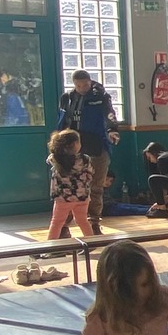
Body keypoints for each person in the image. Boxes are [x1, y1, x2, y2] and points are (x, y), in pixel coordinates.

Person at [54, 71, 120, 234]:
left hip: (97, 144)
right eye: (78, 85)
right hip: (72, 145)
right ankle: (64, 226)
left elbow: (110, 114)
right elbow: (62, 121)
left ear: (90, 82)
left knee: (96, 185)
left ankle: (94, 222)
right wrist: (59, 142)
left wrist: (112, 130)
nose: (82, 88)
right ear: (74, 84)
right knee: (68, 186)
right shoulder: (67, 98)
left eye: (85, 85)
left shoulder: (101, 97)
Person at [47, 130, 93, 241]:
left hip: (63, 198)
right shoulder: (85, 159)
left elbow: (49, 161)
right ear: (75, 144)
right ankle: (92, 241)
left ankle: (50, 245)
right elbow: (90, 173)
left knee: (57, 222)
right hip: (82, 196)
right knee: (82, 220)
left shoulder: (55, 158)